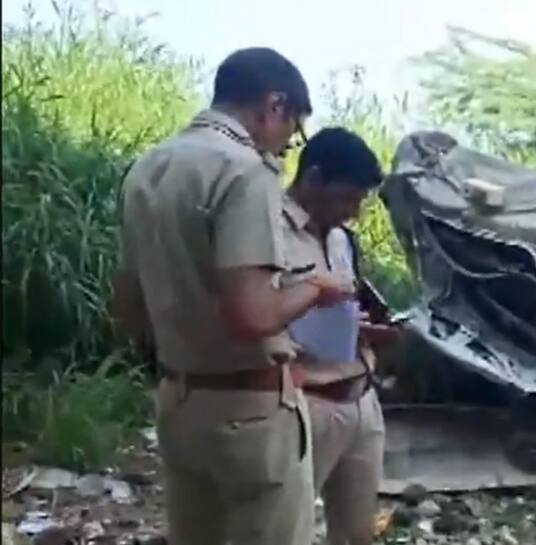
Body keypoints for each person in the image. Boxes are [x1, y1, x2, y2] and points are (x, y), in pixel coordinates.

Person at [111, 48, 356, 545]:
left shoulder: (147, 168)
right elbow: (252, 316)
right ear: (274, 105)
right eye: (293, 132)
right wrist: (317, 287)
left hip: (178, 400)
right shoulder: (245, 171)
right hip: (251, 409)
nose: (287, 146)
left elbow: (127, 306)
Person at [282, 127, 400, 545]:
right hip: (305, 402)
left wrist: (366, 329)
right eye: (345, 199)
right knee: (286, 527)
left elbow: (343, 306)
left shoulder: (341, 239)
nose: (352, 212)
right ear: (312, 179)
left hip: (360, 398)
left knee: (356, 533)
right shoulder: (267, 233)